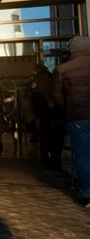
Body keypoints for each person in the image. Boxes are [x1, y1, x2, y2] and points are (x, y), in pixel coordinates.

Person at [52, 35, 90, 207]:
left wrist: (64, 112)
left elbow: (58, 97)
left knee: (83, 155)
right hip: (78, 115)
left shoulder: (63, 69)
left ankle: (87, 194)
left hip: (77, 116)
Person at [30, 64, 64, 171]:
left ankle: (49, 160)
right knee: (57, 138)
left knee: (47, 137)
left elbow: (35, 94)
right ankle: (56, 161)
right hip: (57, 111)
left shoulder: (37, 80)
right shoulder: (52, 78)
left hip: (45, 112)